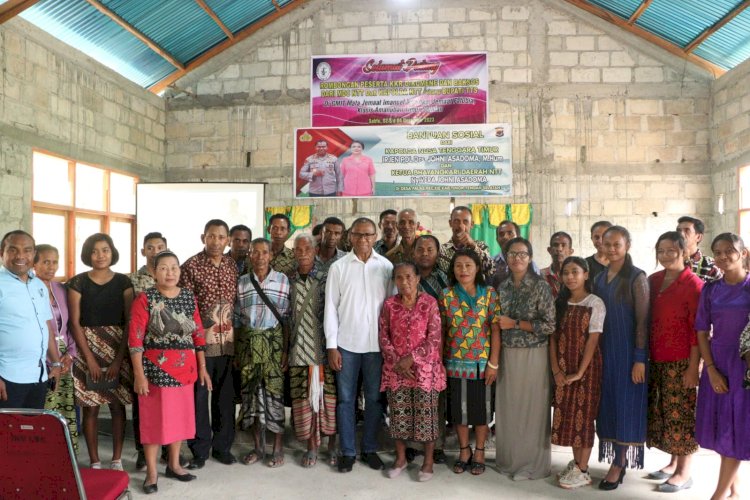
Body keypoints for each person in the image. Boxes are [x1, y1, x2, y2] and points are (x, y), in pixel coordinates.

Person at [129, 250, 212, 494]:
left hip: (185, 370)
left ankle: (174, 465)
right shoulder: (145, 299)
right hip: (155, 371)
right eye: (164, 268)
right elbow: (135, 340)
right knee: (154, 422)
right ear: (154, 272)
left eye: (174, 267)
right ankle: (152, 472)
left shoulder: (188, 297)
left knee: (179, 419)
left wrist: (203, 368)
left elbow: (197, 335)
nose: (170, 272)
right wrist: (139, 374)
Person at [325, 217, 393, 473]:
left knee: (375, 400)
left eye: (368, 235)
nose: (363, 239)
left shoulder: (386, 267)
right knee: (345, 400)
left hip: (377, 347)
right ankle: (348, 451)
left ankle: (370, 449)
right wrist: (332, 346)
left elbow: (391, 308)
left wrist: (391, 348)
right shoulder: (339, 268)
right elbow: (331, 308)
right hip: (347, 345)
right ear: (350, 237)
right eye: (358, 235)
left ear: (375, 236)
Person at [68, 233, 134, 471]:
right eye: (95, 251)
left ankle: (116, 459)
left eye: (105, 250)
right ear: (88, 254)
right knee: (91, 407)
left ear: (112, 251)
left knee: (117, 406)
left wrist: (118, 360)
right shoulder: (77, 282)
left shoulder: (124, 283)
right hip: (87, 347)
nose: (100, 255)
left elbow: (129, 322)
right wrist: (89, 360)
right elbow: (74, 323)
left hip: (118, 347)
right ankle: (95, 460)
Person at [593, 226, 649, 490]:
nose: (612, 249)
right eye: (607, 244)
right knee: (610, 407)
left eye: (617, 244)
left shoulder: (636, 278)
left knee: (627, 408)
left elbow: (642, 322)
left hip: (628, 354)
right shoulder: (600, 278)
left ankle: (619, 463)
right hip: (605, 353)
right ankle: (614, 458)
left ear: (627, 245)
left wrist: (639, 358)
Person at [179, 219, 238, 469]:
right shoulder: (191, 266)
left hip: (228, 344)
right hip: (201, 346)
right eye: (211, 236)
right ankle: (200, 449)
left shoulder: (232, 265)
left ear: (227, 241)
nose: (216, 241)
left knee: (225, 398)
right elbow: (185, 308)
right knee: (199, 398)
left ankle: (223, 447)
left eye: (221, 237)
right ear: (203, 237)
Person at [694, 233, 750, 500]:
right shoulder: (710, 289)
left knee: (735, 428)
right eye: (717, 252)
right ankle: (735, 491)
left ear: (744, 253)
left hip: (744, 365)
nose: (723, 256)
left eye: (730, 251)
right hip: (717, 362)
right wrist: (711, 369)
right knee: (721, 428)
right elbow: (702, 332)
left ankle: (717, 495)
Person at [646, 231, 702, 492]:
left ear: (684, 252)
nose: (666, 255)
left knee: (683, 416)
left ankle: (684, 472)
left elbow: (697, 331)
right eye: (661, 250)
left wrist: (693, 367)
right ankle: (672, 463)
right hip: (657, 358)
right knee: (667, 413)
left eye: (671, 250)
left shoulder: (693, 284)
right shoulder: (653, 280)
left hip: (682, 361)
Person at [379, 262, 446, 482]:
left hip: (424, 370)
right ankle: (400, 459)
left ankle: (427, 463)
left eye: (408, 277)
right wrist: (398, 362)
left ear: (417, 278)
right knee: (398, 415)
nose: (404, 282)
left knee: (426, 416)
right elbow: (383, 336)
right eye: (399, 278)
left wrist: (412, 359)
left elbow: (434, 337)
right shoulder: (389, 304)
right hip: (396, 369)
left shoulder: (430, 303)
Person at [495, 238, 555, 481]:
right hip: (508, 353)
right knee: (510, 408)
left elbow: (550, 325)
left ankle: (532, 464)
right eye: (512, 254)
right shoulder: (503, 286)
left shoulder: (540, 286)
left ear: (530, 258)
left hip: (534, 354)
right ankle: (510, 460)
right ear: (506, 258)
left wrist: (517, 324)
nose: (517, 258)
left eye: (522, 254)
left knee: (532, 409)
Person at [441, 249, 500, 476]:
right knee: (459, 411)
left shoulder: (489, 294)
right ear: (453, 269)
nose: (463, 270)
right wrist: (439, 363)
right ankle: (464, 451)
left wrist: (493, 363)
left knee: (482, 411)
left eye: (468, 265)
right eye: (458, 266)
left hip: (482, 364)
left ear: (477, 269)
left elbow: (495, 329)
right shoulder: (446, 295)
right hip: (454, 363)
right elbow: (443, 331)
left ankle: (480, 451)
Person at [550, 257, 605, 489]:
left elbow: (593, 340)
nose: (570, 277)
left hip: (586, 368)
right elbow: (551, 338)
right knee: (570, 417)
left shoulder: (595, 303)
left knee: (584, 418)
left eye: (575, 272)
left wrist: (580, 372)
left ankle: (583, 470)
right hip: (563, 368)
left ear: (586, 274)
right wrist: (556, 370)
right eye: (566, 273)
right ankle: (577, 464)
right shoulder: (559, 302)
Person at [235, 238, 291, 468]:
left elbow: (287, 319)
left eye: (264, 252)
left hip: (274, 346)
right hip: (249, 346)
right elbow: (238, 321)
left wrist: (286, 350)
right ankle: (258, 446)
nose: (260, 257)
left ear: (270, 256)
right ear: (250, 255)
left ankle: (277, 448)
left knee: (274, 397)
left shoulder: (282, 280)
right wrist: (238, 352)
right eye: (255, 252)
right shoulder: (242, 282)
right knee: (252, 397)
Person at [288, 234, 336, 467]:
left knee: (328, 399)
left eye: (307, 248)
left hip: (324, 347)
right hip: (298, 349)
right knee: (304, 399)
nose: (303, 253)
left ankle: (332, 445)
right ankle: (311, 446)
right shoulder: (289, 278)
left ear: (316, 250)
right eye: (298, 249)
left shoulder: (328, 276)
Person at [0, 231, 61, 410]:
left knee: (30, 435)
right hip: (7, 378)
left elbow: (46, 327)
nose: (20, 255)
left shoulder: (38, 285)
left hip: (38, 377)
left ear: (33, 254)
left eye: (27, 250)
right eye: (13, 250)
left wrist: (55, 363)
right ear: (2, 252)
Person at [128, 231, 168, 470]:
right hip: (142, 350)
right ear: (143, 251)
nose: (155, 251)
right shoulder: (132, 280)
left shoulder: (172, 275)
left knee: (166, 401)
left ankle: (167, 450)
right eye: (150, 247)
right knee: (142, 402)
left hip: (168, 353)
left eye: (160, 247)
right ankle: (143, 451)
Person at [34, 244, 79, 453]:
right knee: (45, 404)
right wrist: (53, 360)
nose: (51, 267)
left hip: (65, 353)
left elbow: (70, 325)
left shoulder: (61, 288)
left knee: (66, 405)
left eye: (54, 262)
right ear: (34, 263)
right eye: (45, 262)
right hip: (42, 355)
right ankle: (44, 452)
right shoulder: (30, 288)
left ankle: (65, 453)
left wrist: (70, 353)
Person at [412, 234, 449, 464]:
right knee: (411, 396)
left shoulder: (444, 279)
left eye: (430, 249)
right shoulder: (407, 276)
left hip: (436, 347)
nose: (425, 253)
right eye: (420, 249)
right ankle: (414, 444)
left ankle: (437, 444)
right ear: (413, 252)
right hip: (408, 348)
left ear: (437, 253)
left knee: (436, 399)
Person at [438, 206, 495, 283]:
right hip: (450, 294)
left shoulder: (481, 246)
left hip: (478, 294)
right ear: (450, 223)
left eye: (465, 221)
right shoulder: (441, 251)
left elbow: (490, 270)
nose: (461, 226)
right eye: (456, 221)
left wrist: (473, 246)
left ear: (472, 224)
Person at [490, 220, 539, 289]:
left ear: (518, 236)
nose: (505, 237)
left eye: (510, 233)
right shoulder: (491, 263)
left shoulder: (529, 264)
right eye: (501, 234)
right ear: (497, 239)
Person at [676, 216, 722, 282]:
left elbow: (721, 291)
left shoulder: (711, 265)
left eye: (687, 230)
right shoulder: (672, 261)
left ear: (698, 237)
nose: (680, 234)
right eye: (678, 230)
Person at [540, 231, 574, 298]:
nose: (559, 249)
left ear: (571, 251)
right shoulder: (539, 275)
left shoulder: (576, 276)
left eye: (563, 245)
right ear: (549, 250)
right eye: (555, 245)